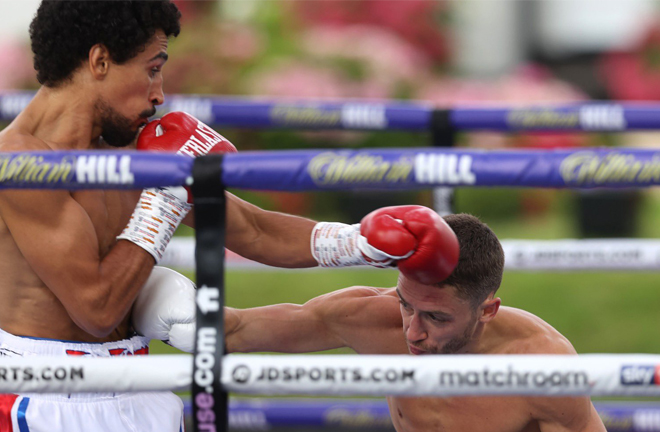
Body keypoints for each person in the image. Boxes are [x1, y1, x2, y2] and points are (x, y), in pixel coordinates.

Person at [0, 2, 455, 431]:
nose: (159, 94)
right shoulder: (19, 163)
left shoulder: (129, 148)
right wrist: (166, 196)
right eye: (152, 69)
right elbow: (96, 308)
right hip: (42, 402)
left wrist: (360, 242)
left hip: (136, 384)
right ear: (100, 61)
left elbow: (254, 231)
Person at [222, 212, 607, 432]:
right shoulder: (371, 319)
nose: (413, 331)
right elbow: (235, 331)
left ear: (487, 310)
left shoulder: (541, 366)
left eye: (437, 317)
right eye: (406, 305)